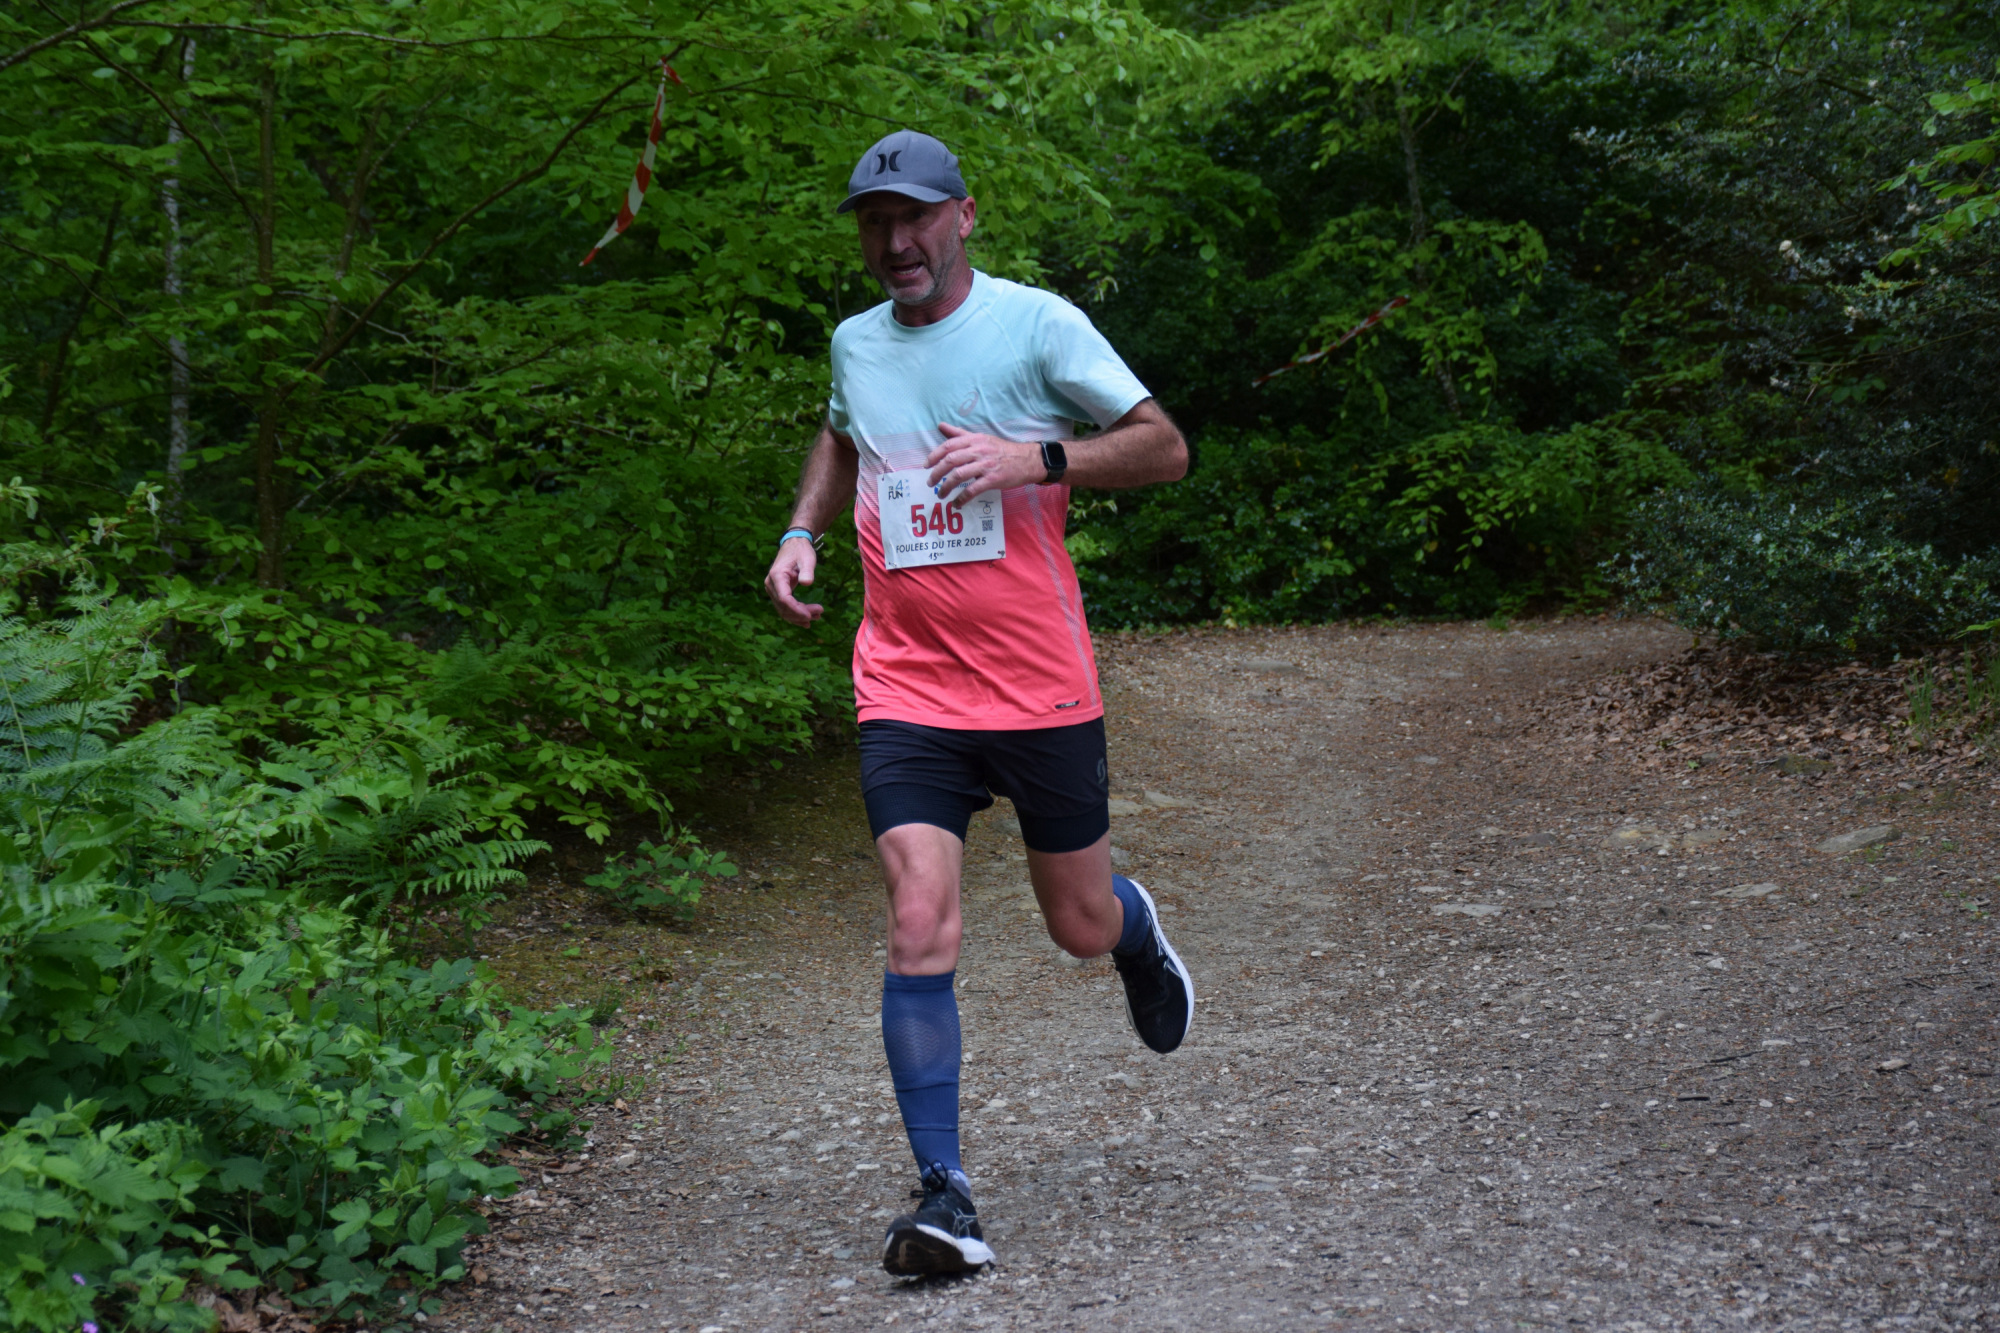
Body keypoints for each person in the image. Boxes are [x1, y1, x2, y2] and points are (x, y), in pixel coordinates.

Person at [762, 128, 1195, 1278]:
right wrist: (802, 531)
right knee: (916, 916)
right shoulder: (856, 342)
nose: (894, 241)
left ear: (962, 216)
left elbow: (1163, 449)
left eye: (913, 217)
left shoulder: (1036, 325)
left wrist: (1033, 459)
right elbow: (842, 430)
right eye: (874, 223)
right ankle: (944, 1195)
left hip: (1036, 682)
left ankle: (1132, 929)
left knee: (1077, 925)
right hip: (905, 681)